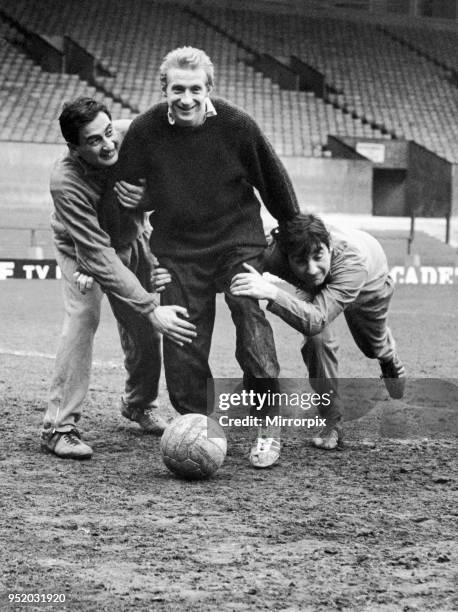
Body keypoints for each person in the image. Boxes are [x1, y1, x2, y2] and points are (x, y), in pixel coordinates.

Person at [102, 47, 300, 468]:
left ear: (209, 89)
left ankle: (267, 421)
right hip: (177, 249)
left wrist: (297, 239)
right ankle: (199, 423)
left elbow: (275, 183)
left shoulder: (236, 125)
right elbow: (124, 195)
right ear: (165, 89)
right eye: (178, 89)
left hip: (236, 240)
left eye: (195, 89)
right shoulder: (145, 129)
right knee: (182, 334)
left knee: (248, 310)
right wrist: (134, 220)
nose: (186, 98)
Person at [42, 97, 196, 460]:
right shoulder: (65, 181)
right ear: (74, 147)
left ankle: (138, 404)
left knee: (145, 328)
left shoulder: (133, 134)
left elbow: (174, 174)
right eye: (94, 140)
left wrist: (148, 197)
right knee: (83, 320)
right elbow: (97, 254)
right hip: (82, 251)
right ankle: (58, 428)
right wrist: (146, 303)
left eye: (108, 132)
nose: (108, 144)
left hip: (133, 238)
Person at [230, 213, 406, 450]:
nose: (312, 269)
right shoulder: (275, 250)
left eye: (318, 256)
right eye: (301, 261)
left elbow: (317, 318)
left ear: (329, 246)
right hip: (314, 290)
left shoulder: (353, 262)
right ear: (285, 255)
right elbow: (236, 257)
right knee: (317, 340)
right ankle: (332, 422)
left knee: (371, 346)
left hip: (368, 283)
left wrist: (271, 292)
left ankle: (388, 356)